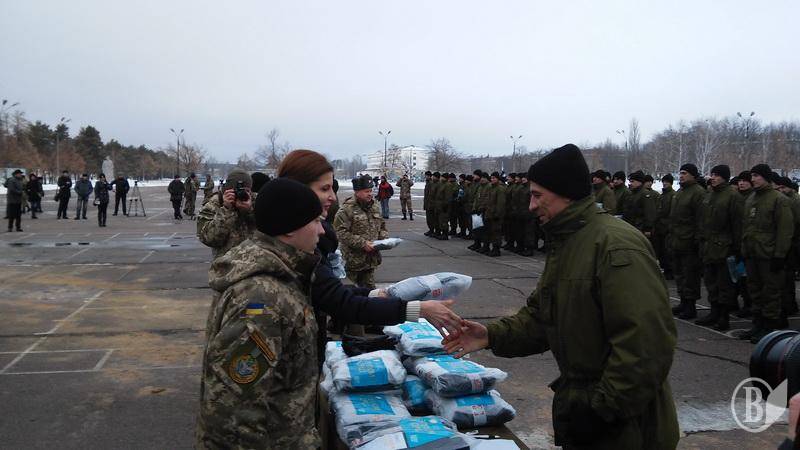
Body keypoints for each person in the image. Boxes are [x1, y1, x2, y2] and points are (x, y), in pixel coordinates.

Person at [444, 144, 679, 449]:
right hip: (589, 411)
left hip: (627, 425)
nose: (531, 205)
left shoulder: (615, 246)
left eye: (538, 195)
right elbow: (542, 317)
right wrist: (491, 335)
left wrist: (602, 409)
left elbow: (645, 346)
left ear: (566, 193)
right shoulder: (570, 242)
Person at [277, 149, 462, 363]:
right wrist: (418, 309)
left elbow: (333, 293)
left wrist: (380, 294)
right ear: (296, 190)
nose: (333, 197)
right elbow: (342, 302)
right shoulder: (273, 268)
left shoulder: (298, 252)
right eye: (324, 188)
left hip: (369, 260)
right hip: (355, 259)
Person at [196, 178, 325, 449]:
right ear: (290, 229)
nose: (321, 230)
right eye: (315, 221)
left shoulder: (281, 275)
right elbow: (232, 415)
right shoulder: (260, 299)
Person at [740, 164, 794, 342]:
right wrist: (744, 249)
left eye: (757, 176)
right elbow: (747, 227)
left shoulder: (778, 199)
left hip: (769, 255)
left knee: (770, 293)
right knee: (755, 290)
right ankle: (758, 324)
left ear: (766, 177)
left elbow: (785, 230)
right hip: (752, 253)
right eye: (752, 176)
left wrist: (780, 255)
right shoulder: (752, 198)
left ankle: (769, 327)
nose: (753, 179)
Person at [695, 165, 743, 331]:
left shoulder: (733, 196)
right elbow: (702, 221)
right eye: (712, 174)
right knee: (711, 283)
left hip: (725, 248)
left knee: (724, 285)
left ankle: (724, 316)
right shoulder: (710, 195)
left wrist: (736, 249)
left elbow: (737, 225)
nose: (712, 178)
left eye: (716, 175)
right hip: (709, 247)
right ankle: (714, 312)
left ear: (724, 177)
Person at [334, 174, 388, 289]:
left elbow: (382, 226)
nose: (370, 194)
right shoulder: (346, 209)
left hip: (370, 260)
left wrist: (383, 239)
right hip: (353, 261)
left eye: (371, 191)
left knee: (370, 292)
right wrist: (362, 244)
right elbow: (340, 232)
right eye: (366, 191)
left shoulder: (374, 206)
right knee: (350, 292)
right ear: (357, 192)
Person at [669, 164, 706, 319]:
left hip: (689, 242)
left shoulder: (698, 192)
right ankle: (683, 302)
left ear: (692, 175)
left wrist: (697, 241)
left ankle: (690, 306)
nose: (681, 176)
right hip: (677, 240)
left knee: (690, 275)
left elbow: (700, 220)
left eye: (684, 173)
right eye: (680, 173)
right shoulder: (680, 191)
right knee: (680, 274)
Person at [197, 169, 256, 260]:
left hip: (254, 261)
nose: (241, 194)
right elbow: (209, 239)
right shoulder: (214, 204)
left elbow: (269, 231)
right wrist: (226, 210)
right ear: (228, 190)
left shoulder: (255, 201)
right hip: (226, 263)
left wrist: (249, 211)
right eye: (236, 191)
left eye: (247, 190)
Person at [776, 176, 800, 317]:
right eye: (779, 187)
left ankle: (789, 305)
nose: (781, 190)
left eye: (783, 187)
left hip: (793, 243)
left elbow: (794, 223)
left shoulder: (794, 201)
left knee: (787, 277)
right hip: (790, 242)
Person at [622, 170, 657, 237]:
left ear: (639, 182)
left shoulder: (645, 194)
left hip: (640, 228)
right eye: (630, 181)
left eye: (632, 181)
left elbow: (649, 212)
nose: (630, 183)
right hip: (632, 226)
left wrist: (648, 228)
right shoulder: (632, 193)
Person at [655, 174, 676, 279]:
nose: (664, 183)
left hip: (667, 227)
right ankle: (666, 268)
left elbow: (672, 212)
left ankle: (670, 271)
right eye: (663, 181)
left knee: (667, 250)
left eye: (667, 182)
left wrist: (667, 224)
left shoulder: (673, 195)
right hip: (660, 226)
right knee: (661, 250)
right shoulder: (662, 195)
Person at [482, 171, 506, 257]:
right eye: (491, 178)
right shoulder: (491, 188)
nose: (492, 179)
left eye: (494, 178)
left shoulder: (500, 189)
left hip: (495, 215)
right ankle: (490, 248)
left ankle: (496, 249)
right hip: (489, 214)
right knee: (490, 232)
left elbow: (501, 203)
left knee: (496, 232)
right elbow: (487, 200)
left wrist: (497, 214)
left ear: (498, 179)